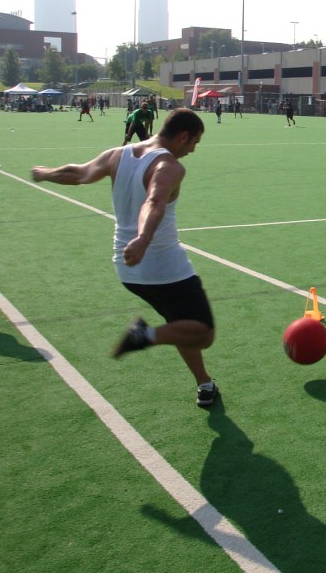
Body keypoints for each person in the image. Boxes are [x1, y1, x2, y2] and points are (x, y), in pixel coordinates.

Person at [31, 109, 218, 408]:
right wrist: (143, 238)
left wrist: (44, 173)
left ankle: (204, 383)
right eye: (194, 142)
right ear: (183, 136)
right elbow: (153, 202)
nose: (193, 150)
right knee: (203, 333)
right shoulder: (168, 166)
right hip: (164, 267)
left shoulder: (117, 154)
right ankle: (145, 335)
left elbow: (79, 174)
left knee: (179, 324)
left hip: (127, 268)